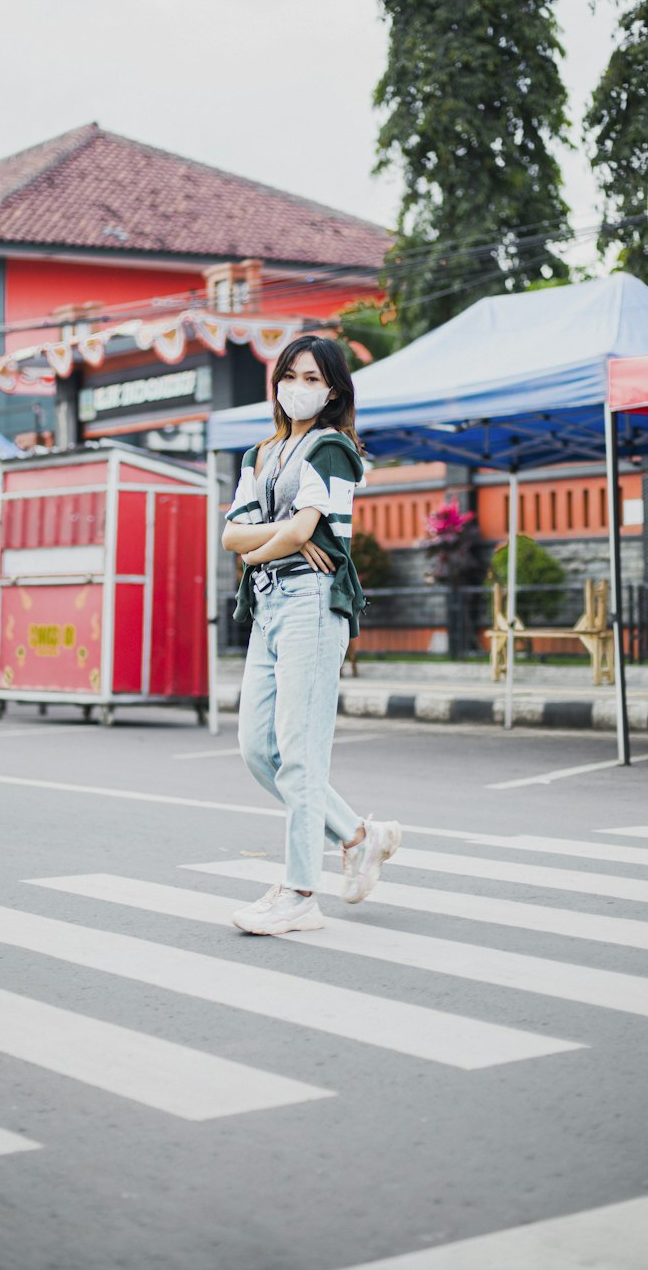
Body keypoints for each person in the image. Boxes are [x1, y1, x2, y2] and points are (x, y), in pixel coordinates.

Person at [221, 334, 402, 936]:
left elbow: (303, 531)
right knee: (257, 750)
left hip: (313, 604)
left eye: (313, 379)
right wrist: (269, 547)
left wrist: (260, 549)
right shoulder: (258, 454)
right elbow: (232, 536)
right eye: (290, 375)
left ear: (333, 392)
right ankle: (357, 834)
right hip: (270, 602)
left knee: (299, 756)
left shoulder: (333, 449)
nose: (298, 387)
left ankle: (300, 892)